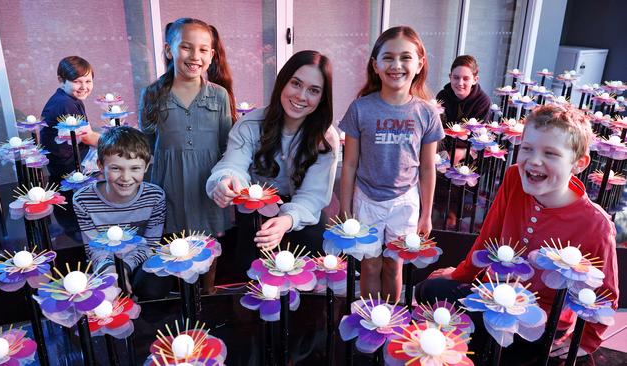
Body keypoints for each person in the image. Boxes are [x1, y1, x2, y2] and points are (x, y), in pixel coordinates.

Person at [418, 104, 619, 361]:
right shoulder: (514, 178)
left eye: (550, 153)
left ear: (578, 163)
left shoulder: (596, 224)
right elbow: (488, 238)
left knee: (508, 351)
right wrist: (460, 275)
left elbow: (606, 294)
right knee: (430, 290)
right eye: (527, 148)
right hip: (493, 297)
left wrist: (585, 341)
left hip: (542, 322)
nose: (534, 161)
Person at [207, 50, 339, 272]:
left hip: (302, 210)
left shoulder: (325, 138)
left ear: (322, 98)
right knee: (250, 267)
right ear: (282, 82)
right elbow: (233, 165)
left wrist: (287, 219)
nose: (301, 96)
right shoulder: (249, 125)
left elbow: (314, 194)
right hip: (255, 208)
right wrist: (226, 180)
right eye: (295, 84)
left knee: (314, 262)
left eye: (314, 90)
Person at [339, 26, 444, 301]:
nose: (396, 65)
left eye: (405, 57)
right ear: (375, 65)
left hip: (404, 203)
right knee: (370, 264)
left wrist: (426, 213)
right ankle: (369, 318)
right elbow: (349, 164)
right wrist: (345, 207)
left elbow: (427, 168)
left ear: (420, 63)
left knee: (393, 265)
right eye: (388, 57)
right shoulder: (360, 109)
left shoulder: (427, 113)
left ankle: (390, 320)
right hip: (367, 201)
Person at [140, 18, 233, 237]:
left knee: (210, 248)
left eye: (203, 50)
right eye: (185, 47)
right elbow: (147, 145)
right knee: (173, 247)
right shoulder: (152, 94)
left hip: (207, 182)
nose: (195, 56)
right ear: (169, 50)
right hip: (169, 183)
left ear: (211, 55)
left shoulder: (220, 95)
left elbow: (227, 144)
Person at [73, 126, 167, 299]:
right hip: (104, 262)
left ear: (146, 167)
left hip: (139, 259)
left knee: (154, 287)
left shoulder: (154, 197)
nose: (125, 177)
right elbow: (94, 247)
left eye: (135, 168)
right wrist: (111, 270)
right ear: (100, 165)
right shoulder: (83, 200)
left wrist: (124, 267)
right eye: (116, 168)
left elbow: (151, 243)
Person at [40, 56, 100, 238]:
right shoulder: (65, 103)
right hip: (68, 167)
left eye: (88, 81)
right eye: (77, 81)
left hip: (70, 162)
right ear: (61, 80)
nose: (84, 86)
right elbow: (88, 137)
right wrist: (118, 143)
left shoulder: (70, 99)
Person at [436, 55, 491, 124]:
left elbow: (477, 133)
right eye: (456, 77)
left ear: (475, 80)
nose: (460, 83)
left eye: (466, 79)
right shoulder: (442, 96)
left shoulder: (482, 102)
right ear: (450, 77)